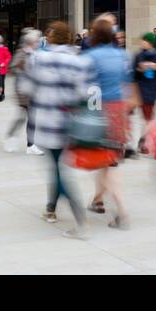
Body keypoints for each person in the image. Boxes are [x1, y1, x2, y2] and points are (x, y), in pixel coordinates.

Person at [16, 21, 93, 237]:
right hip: (70, 122)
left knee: (58, 171)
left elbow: (26, 87)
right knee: (57, 166)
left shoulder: (39, 58)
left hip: (49, 121)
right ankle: (50, 208)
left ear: (50, 37)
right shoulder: (78, 61)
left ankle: (81, 222)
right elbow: (84, 93)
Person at [84, 18, 132, 227]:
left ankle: (122, 212)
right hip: (119, 112)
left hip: (101, 112)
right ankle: (97, 199)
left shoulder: (90, 57)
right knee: (107, 161)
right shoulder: (122, 55)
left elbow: (87, 89)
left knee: (108, 164)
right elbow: (129, 85)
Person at [6, 29, 43, 154]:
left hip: (33, 89)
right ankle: (18, 140)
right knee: (26, 117)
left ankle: (29, 144)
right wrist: (24, 72)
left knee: (27, 117)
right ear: (31, 42)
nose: (38, 43)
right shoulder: (21, 53)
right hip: (23, 89)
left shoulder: (36, 54)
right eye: (37, 41)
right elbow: (11, 68)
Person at [133, 33, 156, 154]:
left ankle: (143, 142)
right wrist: (140, 69)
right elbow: (134, 74)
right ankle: (155, 147)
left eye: (145, 41)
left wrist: (155, 67)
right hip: (142, 90)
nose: (142, 43)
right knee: (149, 119)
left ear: (150, 42)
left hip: (154, 90)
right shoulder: (139, 56)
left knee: (149, 118)